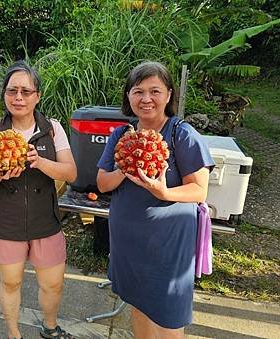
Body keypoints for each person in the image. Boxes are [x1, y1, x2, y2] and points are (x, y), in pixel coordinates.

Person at [96, 61, 214, 338]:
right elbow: (102, 183)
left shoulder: (181, 134)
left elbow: (198, 190)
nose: (146, 99)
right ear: (128, 97)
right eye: (138, 91)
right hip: (128, 240)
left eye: (155, 91)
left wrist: (164, 193)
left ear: (169, 95)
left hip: (167, 243)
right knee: (137, 304)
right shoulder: (121, 134)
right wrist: (127, 167)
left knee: (169, 317)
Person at [0, 61, 77, 339]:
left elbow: (70, 173)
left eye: (26, 91)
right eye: (12, 91)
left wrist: (40, 162)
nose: (18, 97)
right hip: (6, 222)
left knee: (53, 284)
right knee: (11, 282)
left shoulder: (52, 129)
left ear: (37, 95)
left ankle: (50, 327)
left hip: (46, 220)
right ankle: (14, 334)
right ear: (5, 95)